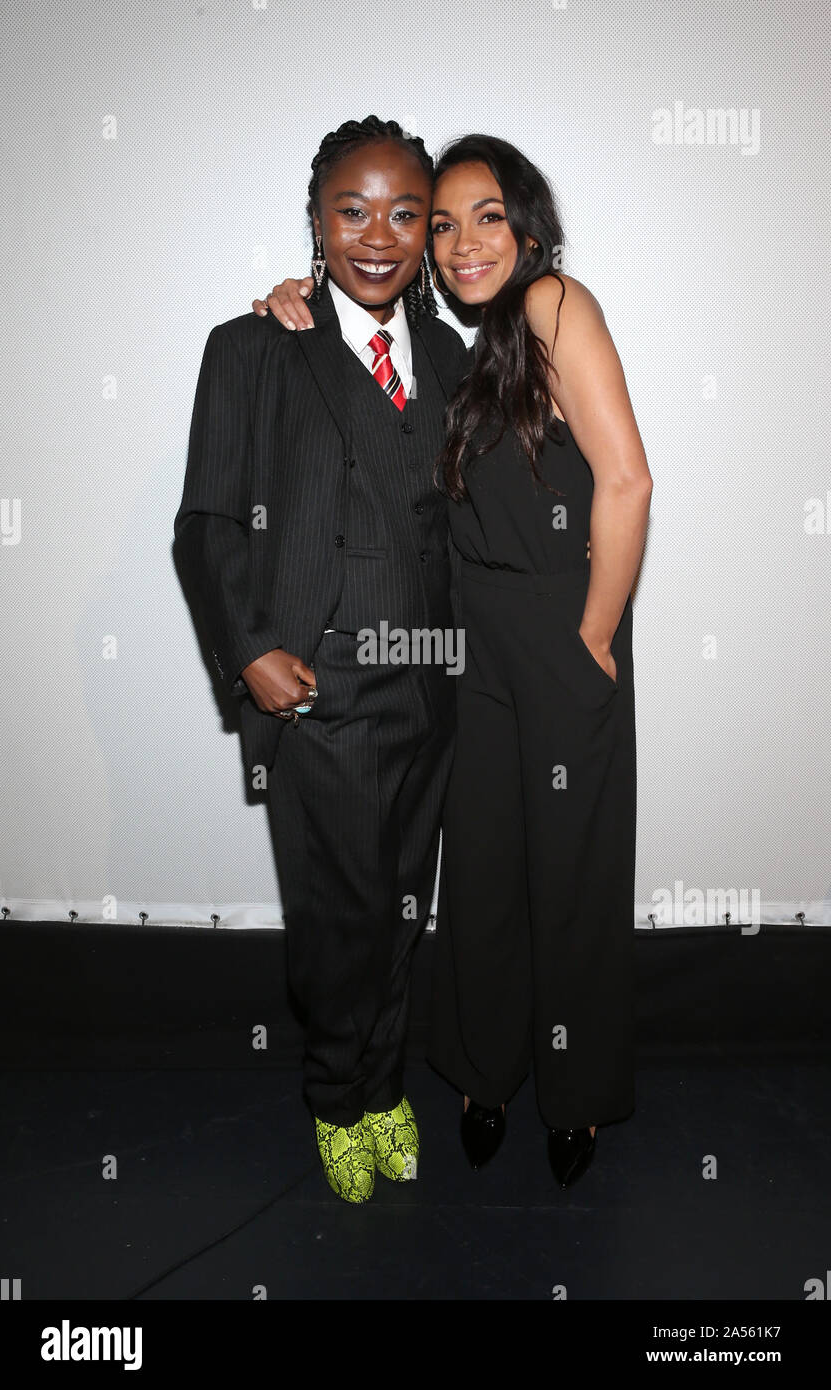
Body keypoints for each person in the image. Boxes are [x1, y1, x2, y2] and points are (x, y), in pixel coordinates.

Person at [256, 134, 652, 1190]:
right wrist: (292, 302)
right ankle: (484, 1075)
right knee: (479, 875)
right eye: (445, 222)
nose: (462, 240)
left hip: (560, 638)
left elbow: (627, 483)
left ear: (527, 230)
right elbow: (355, 377)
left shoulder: (553, 305)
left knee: (569, 877)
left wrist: (595, 635)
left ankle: (574, 1094)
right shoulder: (456, 346)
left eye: (486, 217)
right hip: (467, 642)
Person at [175, 116, 469, 1204]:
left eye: (405, 213)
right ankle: (334, 1095)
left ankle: (385, 1082)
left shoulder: (444, 356)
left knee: (402, 903)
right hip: (319, 692)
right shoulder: (253, 347)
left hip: (432, 681)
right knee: (334, 916)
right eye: (353, 209)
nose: (380, 236)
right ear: (315, 220)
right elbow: (204, 522)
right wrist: (248, 647)